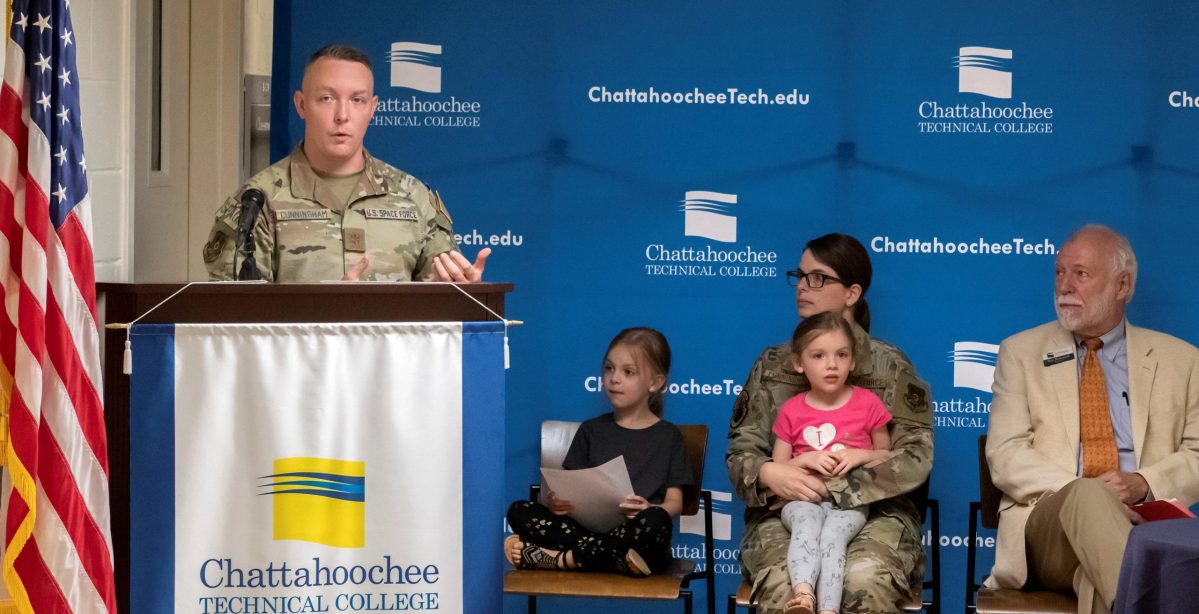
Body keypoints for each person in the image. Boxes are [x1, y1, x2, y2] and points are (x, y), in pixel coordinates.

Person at [985, 224, 1199, 614]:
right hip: (1050, 529)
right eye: (1059, 272)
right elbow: (1005, 453)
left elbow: (1198, 454)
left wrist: (1143, 483)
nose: (1064, 285)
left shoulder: (1182, 361)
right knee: (1087, 495)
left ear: (1123, 286)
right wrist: (1091, 494)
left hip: (1146, 528)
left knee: (1099, 582)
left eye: (1080, 274)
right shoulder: (1020, 352)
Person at [727, 233, 933, 614]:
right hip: (785, 510)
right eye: (800, 276)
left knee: (863, 578)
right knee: (787, 584)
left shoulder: (890, 366)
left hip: (877, 512)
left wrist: (833, 484)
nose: (803, 286)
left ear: (852, 294)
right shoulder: (773, 366)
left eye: (818, 278)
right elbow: (740, 452)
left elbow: (915, 455)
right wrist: (772, 475)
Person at [202, 44, 489, 282]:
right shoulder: (257, 202)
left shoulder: (414, 197)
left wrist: (459, 288)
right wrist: (326, 312)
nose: (342, 115)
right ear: (302, 105)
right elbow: (236, 319)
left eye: (357, 100)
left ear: (372, 108)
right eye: (327, 98)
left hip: (393, 352)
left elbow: (441, 300)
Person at [504, 327, 693, 576]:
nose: (614, 378)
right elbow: (566, 487)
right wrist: (554, 502)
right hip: (588, 532)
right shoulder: (591, 430)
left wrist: (649, 508)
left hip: (637, 537)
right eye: (609, 368)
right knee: (519, 510)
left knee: (656, 522)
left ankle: (563, 559)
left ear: (655, 382)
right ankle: (611, 559)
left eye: (628, 372)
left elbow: (674, 503)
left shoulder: (669, 436)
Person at [771, 312, 892, 614]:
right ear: (799, 363)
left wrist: (860, 455)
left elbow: (888, 456)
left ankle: (828, 610)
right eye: (819, 355)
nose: (832, 364)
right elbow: (778, 468)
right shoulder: (791, 410)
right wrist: (807, 459)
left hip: (849, 503)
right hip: (803, 499)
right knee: (807, 526)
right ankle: (803, 596)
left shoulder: (868, 404)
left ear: (853, 361)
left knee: (832, 536)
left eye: (842, 355)